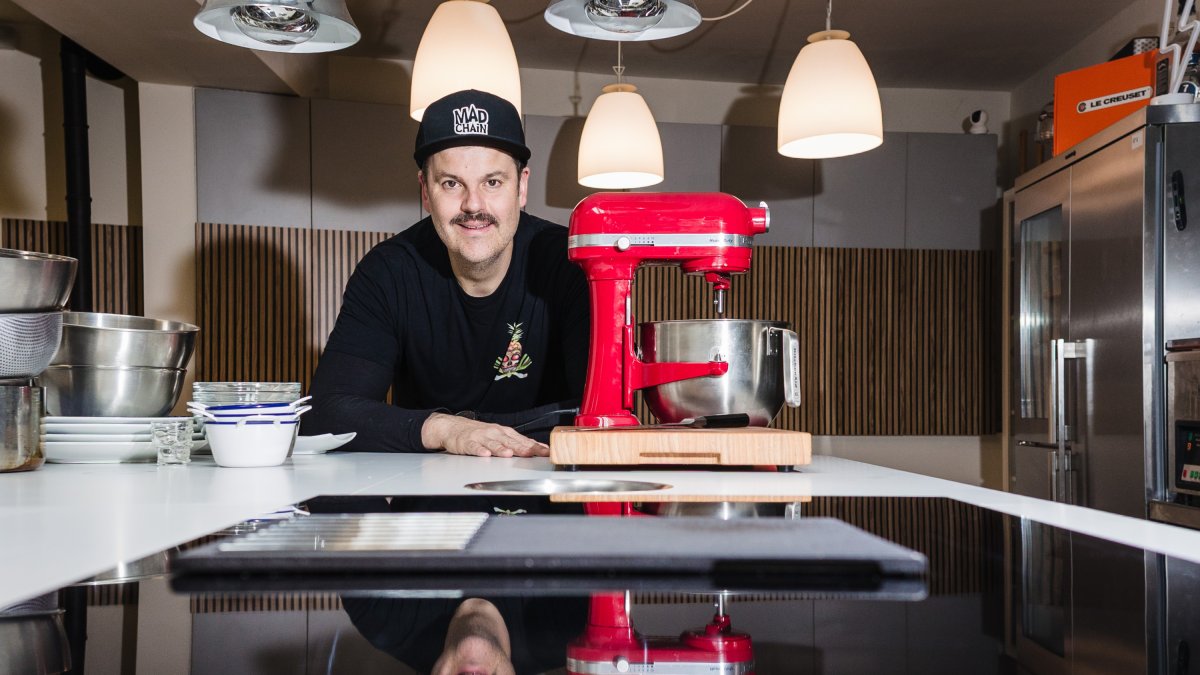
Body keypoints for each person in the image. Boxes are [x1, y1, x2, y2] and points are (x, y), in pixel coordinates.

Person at [303, 89, 589, 456]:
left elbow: (603, 413)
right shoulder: (388, 272)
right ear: (426, 191)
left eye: (493, 182)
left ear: (522, 187)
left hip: (549, 485)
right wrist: (444, 428)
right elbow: (327, 413)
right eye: (451, 183)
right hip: (429, 498)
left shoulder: (572, 263)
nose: (473, 205)